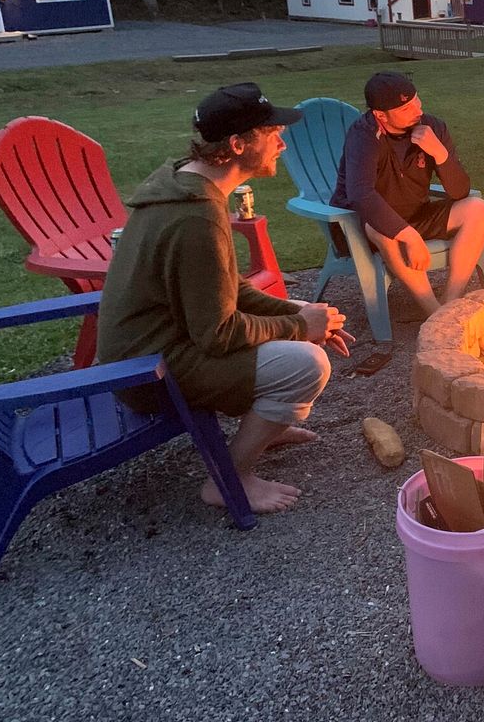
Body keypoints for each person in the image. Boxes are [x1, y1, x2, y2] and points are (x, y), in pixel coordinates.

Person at [97, 83, 355, 513]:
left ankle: (266, 424)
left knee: (303, 321)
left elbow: (227, 290)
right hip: (148, 372)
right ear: (237, 145)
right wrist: (298, 327)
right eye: (271, 133)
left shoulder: (185, 183)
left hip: (161, 344)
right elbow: (217, 334)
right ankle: (230, 479)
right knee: (306, 364)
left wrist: (301, 313)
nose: (281, 141)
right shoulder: (197, 218)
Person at [330, 71, 484, 317]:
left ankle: (450, 302)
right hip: (366, 227)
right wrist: (410, 237)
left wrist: (440, 154)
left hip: (416, 213)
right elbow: (361, 194)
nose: (417, 109)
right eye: (405, 108)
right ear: (380, 115)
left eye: (416, 99)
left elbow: (460, 191)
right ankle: (434, 313)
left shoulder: (432, 127)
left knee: (478, 208)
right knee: (380, 228)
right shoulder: (364, 136)